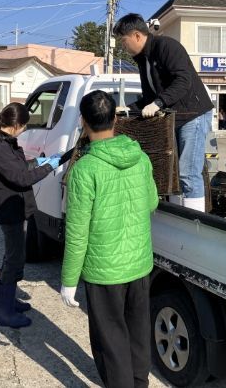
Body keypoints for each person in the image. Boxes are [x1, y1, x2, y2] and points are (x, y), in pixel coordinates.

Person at [60, 90, 158, 388]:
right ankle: (139, 383)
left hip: (104, 271)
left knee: (111, 339)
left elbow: (77, 233)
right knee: (138, 332)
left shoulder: (84, 169)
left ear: (83, 121)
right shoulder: (140, 157)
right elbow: (152, 202)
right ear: (115, 118)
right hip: (139, 263)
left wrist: (68, 281)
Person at [113, 13, 213, 212]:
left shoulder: (166, 46)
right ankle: (177, 215)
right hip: (173, 118)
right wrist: (129, 109)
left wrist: (158, 103)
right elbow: (149, 97)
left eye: (123, 41)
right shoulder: (143, 60)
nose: (123, 47)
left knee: (188, 172)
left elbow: (183, 80)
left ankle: (196, 221)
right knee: (172, 172)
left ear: (137, 35)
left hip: (193, 115)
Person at [0, 102, 61, 328]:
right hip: (9, 210)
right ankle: (5, 312)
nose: (25, 130)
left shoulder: (7, 142)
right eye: (24, 126)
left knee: (13, 255)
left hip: (16, 206)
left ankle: (8, 301)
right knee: (14, 258)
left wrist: (38, 162)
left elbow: (20, 167)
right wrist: (48, 167)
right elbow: (21, 178)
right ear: (15, 125)